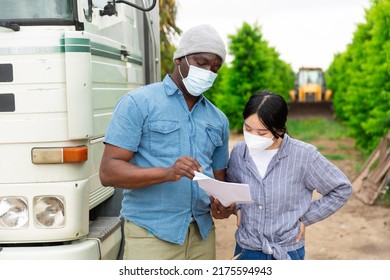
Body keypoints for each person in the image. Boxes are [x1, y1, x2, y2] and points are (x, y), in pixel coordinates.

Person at [99, 24, 235, 260]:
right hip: (151, 235)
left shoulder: (218, 119)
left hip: (201, 237)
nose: (208, 72)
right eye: (201, 63)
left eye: (215, 68)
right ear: (179, 59)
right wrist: (168, 172)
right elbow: (109, 172)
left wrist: (223, 206)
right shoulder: (138, 103)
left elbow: (219, 181)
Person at [226, 90, 352, 260]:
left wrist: (305, 218)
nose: (252, 137)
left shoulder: (304, 155)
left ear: (280, 130)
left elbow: (341, 189)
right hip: (247, 250)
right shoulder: (239, 152)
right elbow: (232, 187)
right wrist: (238, 207)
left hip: (288, 252)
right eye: (248, 129)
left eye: (262, 133)